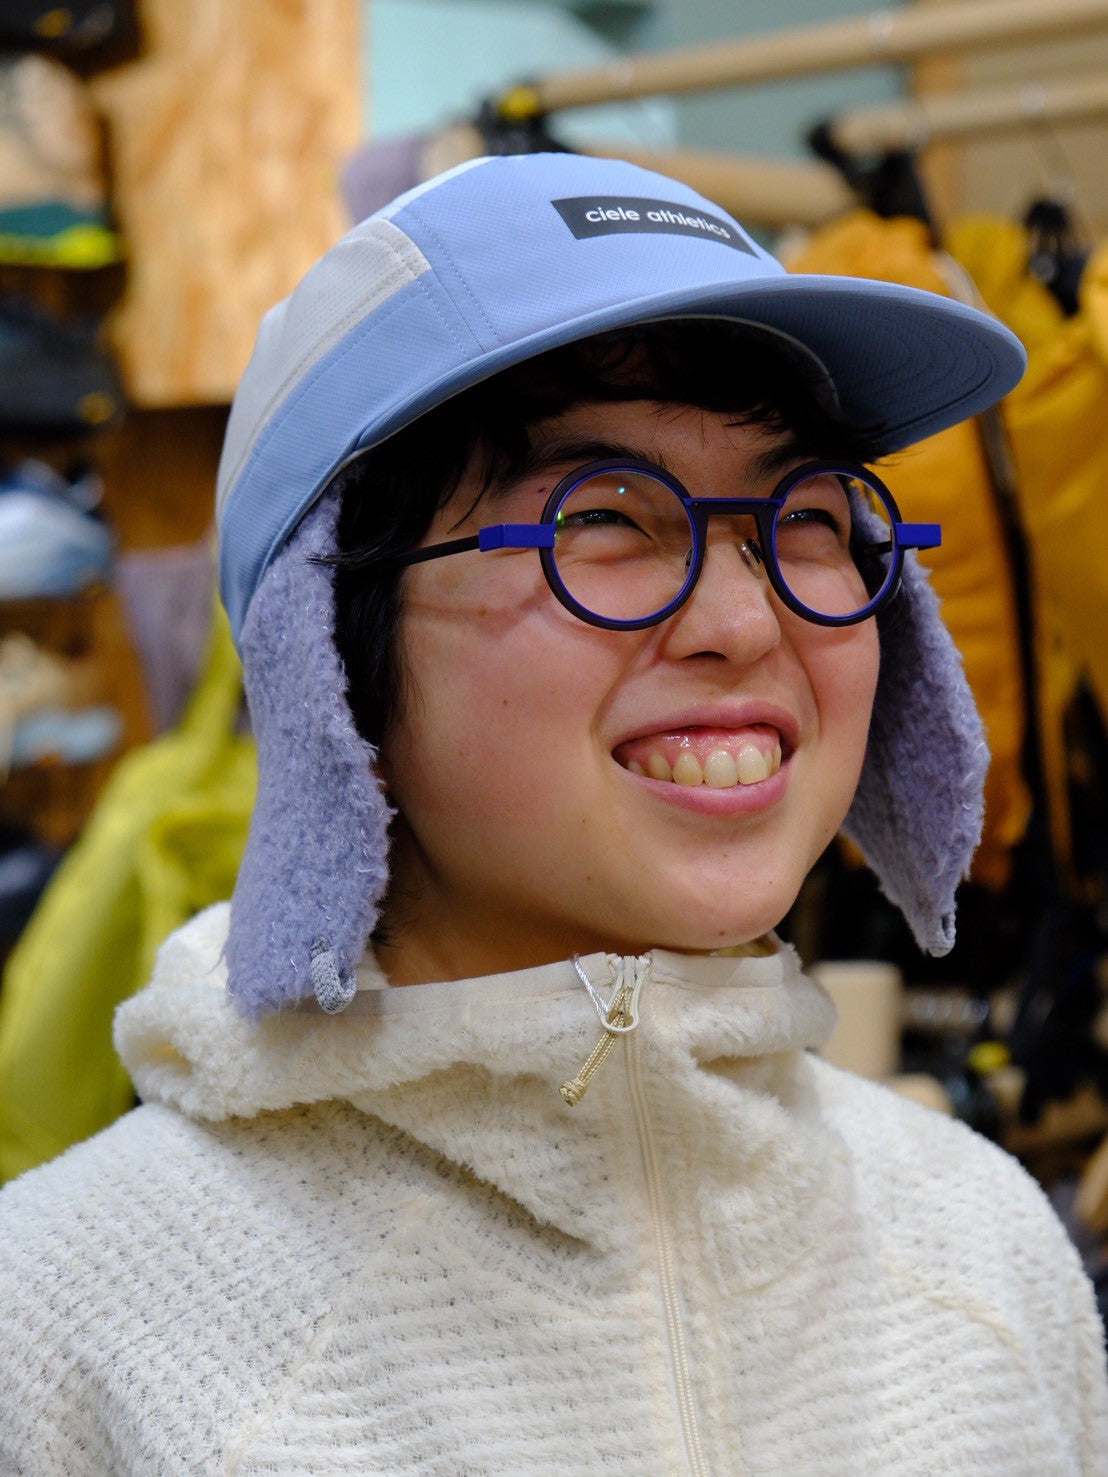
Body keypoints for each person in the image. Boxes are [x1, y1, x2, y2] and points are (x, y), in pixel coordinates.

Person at [1, 151, 1105, 1474]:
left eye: (806, 517)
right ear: (330, 660)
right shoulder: (69, 1336)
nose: (745, 619)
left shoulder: (986, 1247)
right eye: (607, 519)